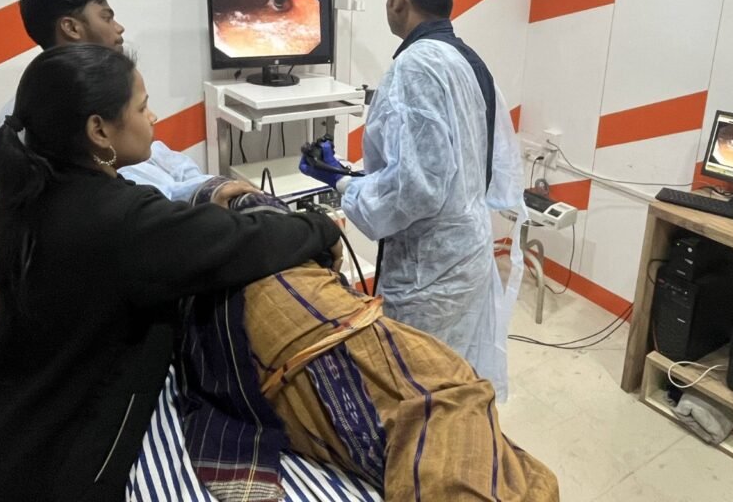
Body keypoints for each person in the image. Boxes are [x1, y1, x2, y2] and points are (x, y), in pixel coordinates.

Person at [0, 44, 342, 501]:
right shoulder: (116, 221)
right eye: (141, 107)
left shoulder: (38, 194)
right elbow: (241, 241)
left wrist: (201, 197)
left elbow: (163, 225)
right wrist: (321, 227)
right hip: (53, 472)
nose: (153, 118)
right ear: (99, 130)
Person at [0, 0, 253, 487]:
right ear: (71, 27)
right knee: (54, 445)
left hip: (81, 310)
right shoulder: (43, 123)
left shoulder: (91, 102)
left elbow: (162, 166)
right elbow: (123, 211)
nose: (119, 26)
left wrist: (205, 187)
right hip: (60, 320)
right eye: (106, 15)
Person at [178, 184, 559, 501]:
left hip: (313, 290)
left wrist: (344, 198)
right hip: (288, 305)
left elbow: (413, 192)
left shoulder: (209, 208)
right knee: (450, 397)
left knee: (454, 398)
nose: (154, 121)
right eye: (146, 113)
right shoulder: (159, 211)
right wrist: (328, 219)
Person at [299, 0, 525, 399]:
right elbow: (470, 161)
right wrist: (360, 178)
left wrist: (342, 184)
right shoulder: (468, 60)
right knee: (454, 382)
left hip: (429, 274)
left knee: (414, 391)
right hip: (469, 251)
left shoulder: (415, 67)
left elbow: (416, 190)